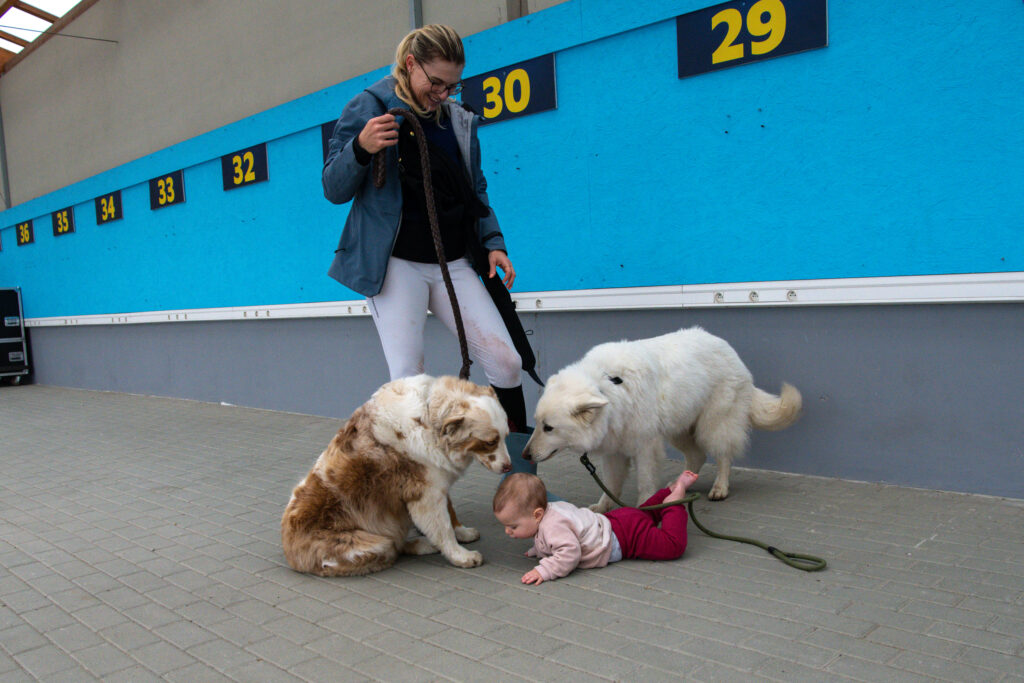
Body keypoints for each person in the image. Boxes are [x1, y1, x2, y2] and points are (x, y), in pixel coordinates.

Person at [322, 24, 529, 432]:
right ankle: (419, 489)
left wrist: (492, 241)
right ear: (410, 64)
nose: (443, 94)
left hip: (454, 260)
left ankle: (521, 483)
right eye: (436, 83)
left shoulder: (456, 119)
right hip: (396, 264)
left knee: (507, 362)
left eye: (452, 85)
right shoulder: (369, 106)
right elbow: (333, 187)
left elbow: (475, 187)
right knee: (409, 381)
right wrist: (361, 148)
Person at [493, 471, 699, 584]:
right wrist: (539, 549)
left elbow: (569, 553)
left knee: (672, 545)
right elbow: (556, 539)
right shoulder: (550, 510)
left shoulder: (552, 526)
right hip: (616, 520)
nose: (508, 531)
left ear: (537, 515)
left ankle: (674, 500)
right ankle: (667, 491)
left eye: (513, 526)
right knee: (645, 514)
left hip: (624, 538)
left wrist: (545, 570)